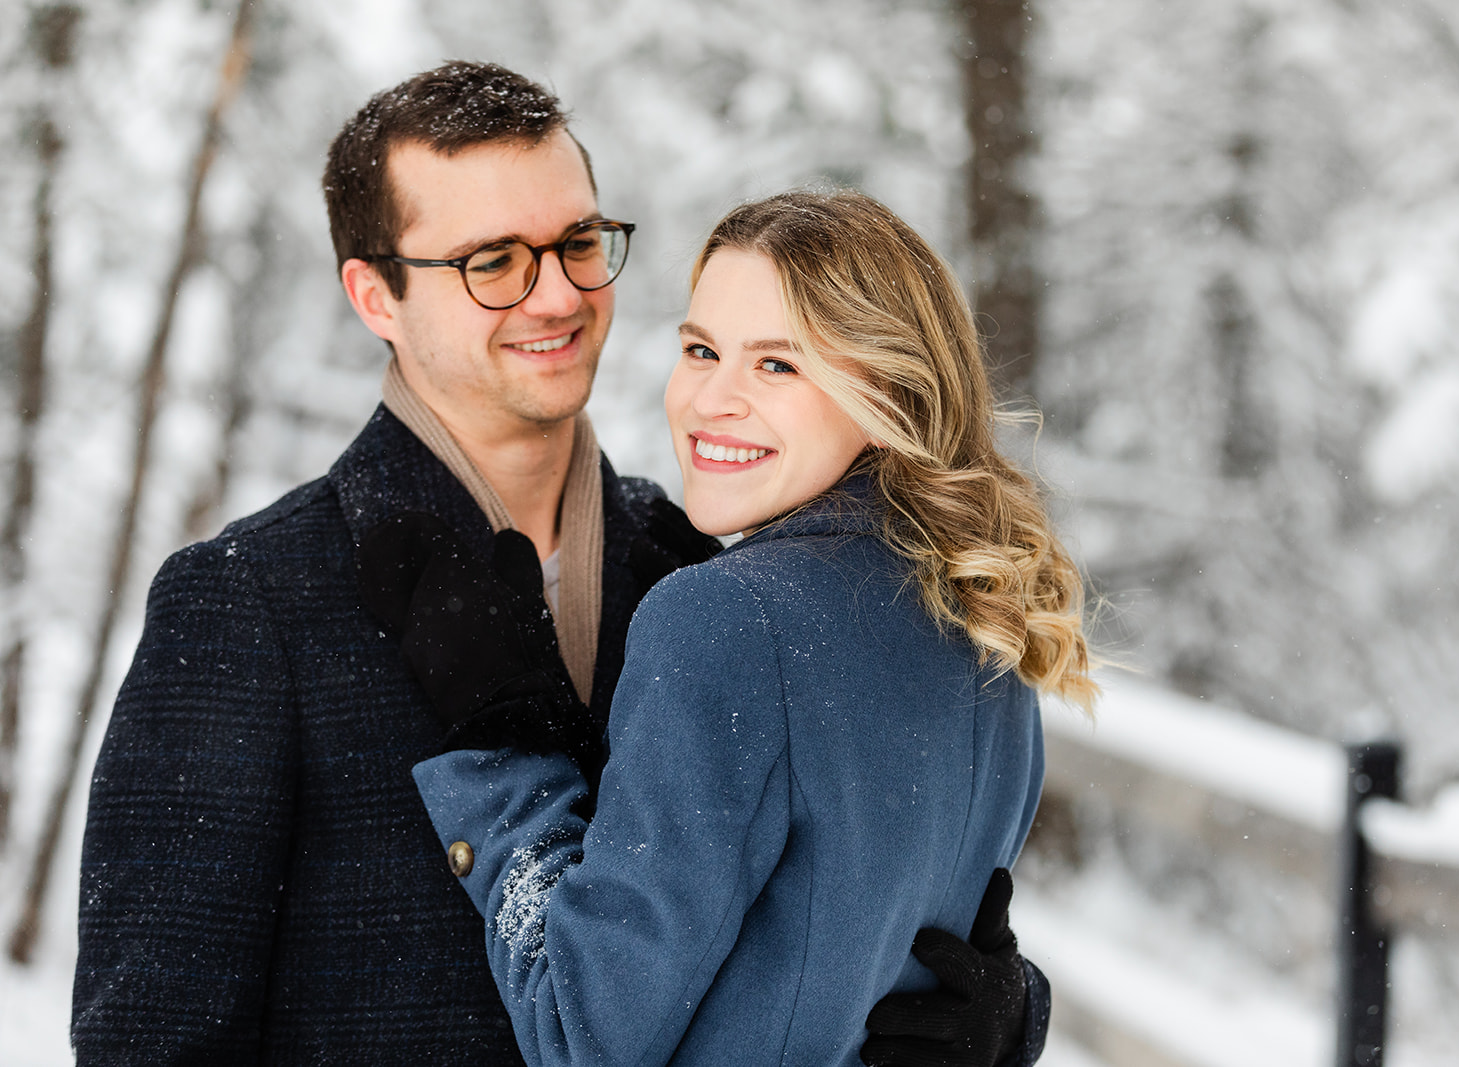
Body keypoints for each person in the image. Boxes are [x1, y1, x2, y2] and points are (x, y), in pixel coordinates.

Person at [72, 62, 1050, 1065]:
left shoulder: (694, 566)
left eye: (578, 243)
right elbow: (147, 1039)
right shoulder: (246, 602)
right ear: (376, 295)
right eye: (493, 260)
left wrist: (993, 1010)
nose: (556, 293)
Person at [378, 189, 1097, 1065]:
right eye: (702, 349)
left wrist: (506, 756)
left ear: (886, 391)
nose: (710, 399)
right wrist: (1015, 1016)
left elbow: (582, 1033)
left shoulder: (728, 620)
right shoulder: (982, 605)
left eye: (777, 366)